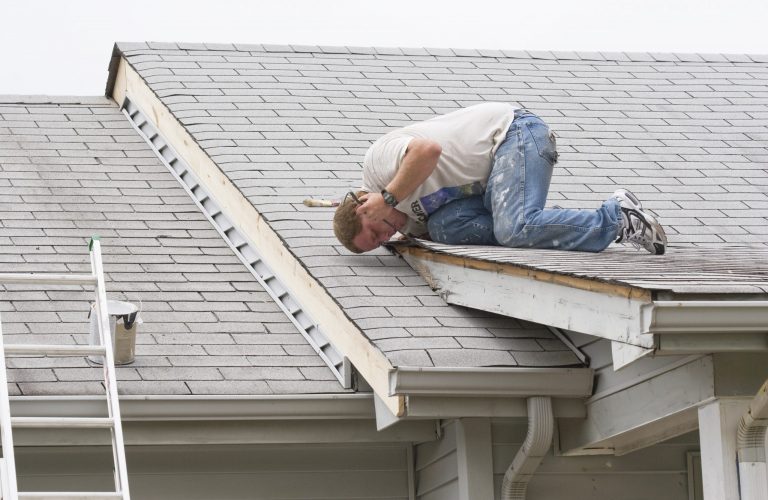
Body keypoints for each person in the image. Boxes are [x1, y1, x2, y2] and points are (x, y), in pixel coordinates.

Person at [333, 103, 666, 255]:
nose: (386, 235)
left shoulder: (378, 167)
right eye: (379, 244)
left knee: (513, 228)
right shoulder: (407, 225)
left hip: (514, 135)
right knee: (444, 230)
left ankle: (617, 217)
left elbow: (427, 151)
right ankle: (543, 221)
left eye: (376, 231)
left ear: (364, 207)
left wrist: (387, 197)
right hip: (496, 182)